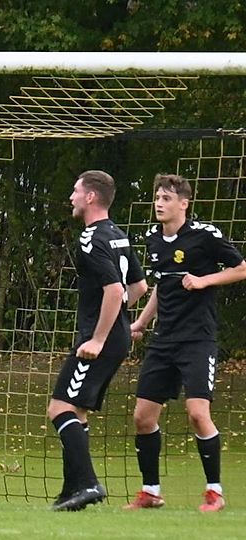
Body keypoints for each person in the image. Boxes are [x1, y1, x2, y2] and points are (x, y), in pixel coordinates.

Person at [126, 174, 246, 512]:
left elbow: (241, 269)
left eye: (166, 198)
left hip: (197, 340)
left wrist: (205, 279)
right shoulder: (152, 239)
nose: (159, 203)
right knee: (143, 418)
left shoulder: (205, 237)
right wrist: (140, 323)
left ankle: (215, 492)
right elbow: (161, 288)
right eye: (157, 197)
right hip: (164, 341)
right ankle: (150, 492)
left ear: (184, 203)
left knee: (197, 414)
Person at [47, 172, 146, 511]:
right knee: (78, 412)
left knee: (59, 408)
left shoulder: (90, 239)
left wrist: (100, 337)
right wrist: (119, 321)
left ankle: (88, 484)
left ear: (90, 197)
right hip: (116, 335)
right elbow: (139, 288)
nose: (72, 196)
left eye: (75, 191)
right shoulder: (119, 235)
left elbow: (116, 290)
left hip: (98, 339)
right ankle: (71, 491)